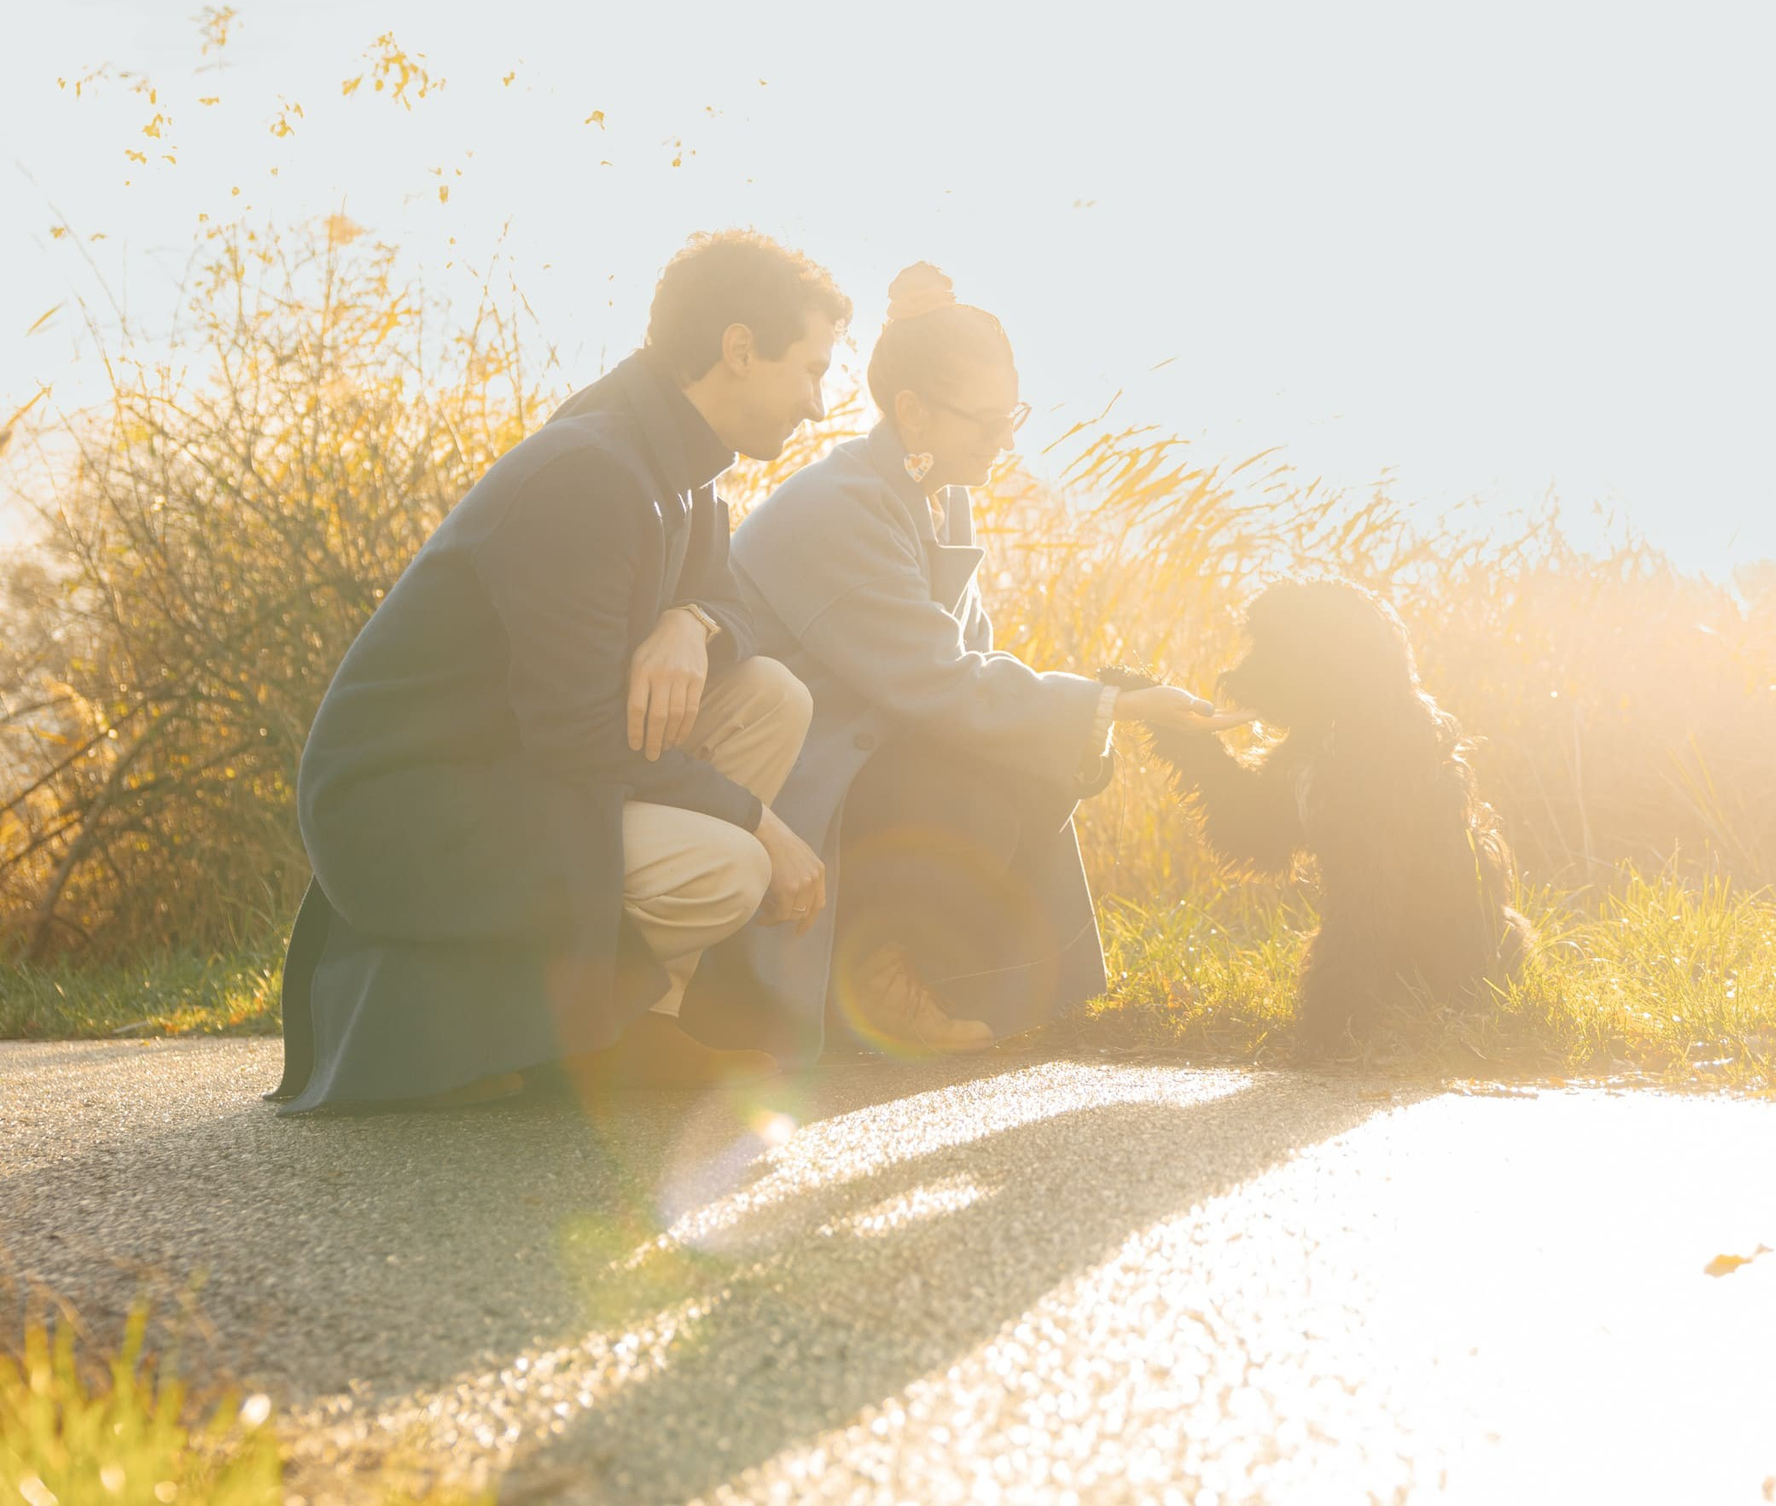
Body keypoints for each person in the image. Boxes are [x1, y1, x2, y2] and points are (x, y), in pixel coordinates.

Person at [268, 231, 849, 1113]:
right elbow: (576, 730)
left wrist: (688, 623)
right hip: (409, 805)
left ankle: (637, 1021)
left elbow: (743, 610)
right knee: (732, 866)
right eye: (810, 370)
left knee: (773, 696)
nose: (817, 402)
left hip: (516, 768)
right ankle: (584, 1032)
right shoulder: (593, 474)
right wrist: (760, 823)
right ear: (739, 349)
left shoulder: (680, 469)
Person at [686, 262, 1234, 1061]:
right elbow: (939, 681)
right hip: (785, 784)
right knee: (978, 790)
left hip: (859, 753)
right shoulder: (839, 508)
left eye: (1012, 413)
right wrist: (1113, 707)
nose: (1006, 439)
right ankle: (867, 974)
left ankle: (919, 969)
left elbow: (970, 659)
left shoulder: (936, 489)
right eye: (985, 421)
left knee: (1031, 770)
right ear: (912, 412)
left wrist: (1102, 703)